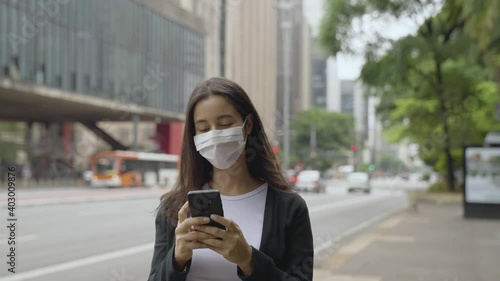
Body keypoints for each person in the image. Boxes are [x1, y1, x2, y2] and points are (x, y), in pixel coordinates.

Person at [147, 77, 313, 281]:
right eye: (204, 129)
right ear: (194, 135)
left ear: (248, 124)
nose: (215, 136)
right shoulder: (173, 208)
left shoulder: (289, 207)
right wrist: (177, 258)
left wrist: (248, 259)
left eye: (225, 124)